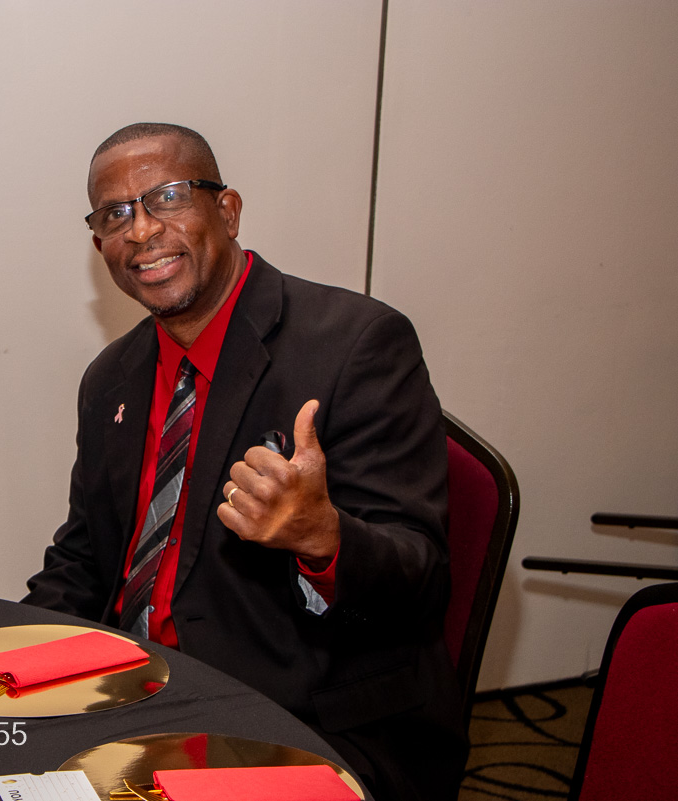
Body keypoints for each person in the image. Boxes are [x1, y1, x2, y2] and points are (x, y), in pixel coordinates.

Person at [24, 123, 466, 799]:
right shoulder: (110, 376)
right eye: (115, 215)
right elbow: (85, 556)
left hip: (305, 719)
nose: (140, 231)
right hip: (134, 694)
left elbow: (421, 577)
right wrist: (6, 656)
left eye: (166, 198)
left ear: (226, 210)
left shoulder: (356, 344)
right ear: (98, 246)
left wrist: (322, 539)